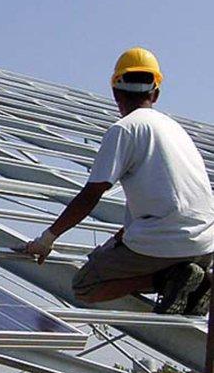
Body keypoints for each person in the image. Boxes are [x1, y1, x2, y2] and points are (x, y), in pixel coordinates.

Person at [17, 47, 213, 315]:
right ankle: (194, 281)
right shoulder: (175, 130)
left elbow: (92, 194)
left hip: (168, 244)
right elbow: (168, 190)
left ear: (115, 93)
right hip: (207, 245)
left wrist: (47, 239)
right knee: (132, 249)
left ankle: (167, 279)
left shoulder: (125, 129)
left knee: (86, 285)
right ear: (155, 93)